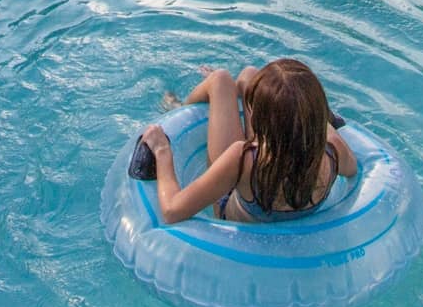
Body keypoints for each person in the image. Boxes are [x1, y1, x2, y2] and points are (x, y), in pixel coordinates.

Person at [139, 59, 357, 225]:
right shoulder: (332, 151)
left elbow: (171, 211)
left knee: (221, 80)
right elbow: (353, 170)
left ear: (258, 121)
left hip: (236, 205)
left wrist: (162, 152)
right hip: (269, 162)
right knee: (250, 75)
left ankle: (182, 109)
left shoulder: (241, 158)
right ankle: (244, 92)